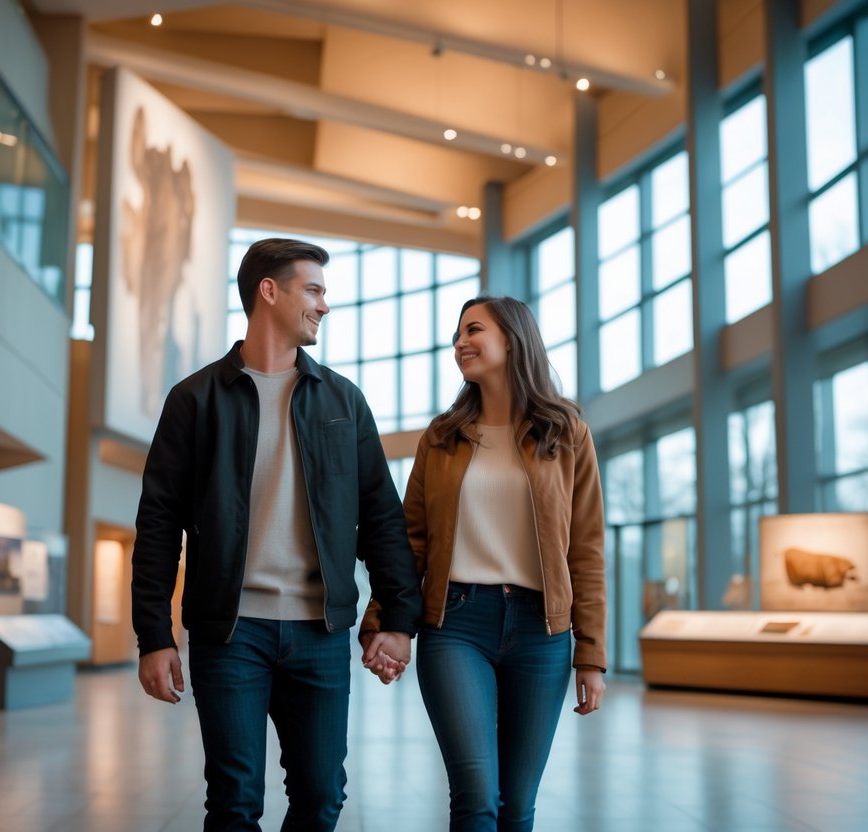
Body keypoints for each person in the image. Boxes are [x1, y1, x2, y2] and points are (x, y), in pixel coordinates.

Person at [132, 237, 422, 831]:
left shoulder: (343, 401)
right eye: (313, 289)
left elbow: (382, 517)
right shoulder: (194, 400)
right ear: (270, 291)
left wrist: (397, 617)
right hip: (229, 633)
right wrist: (153, 636)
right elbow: (158, 525)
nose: (324, 305)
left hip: (319, 634)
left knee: (321, 798)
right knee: (235, 802)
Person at [361, 295, 607, 831]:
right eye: (456, 336)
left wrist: (591, 653)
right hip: (456, 624)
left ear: (513, 341)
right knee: (476, 794)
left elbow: (585, 549)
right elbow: (409, 541)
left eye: (473, 331)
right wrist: (382, 619)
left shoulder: (567, 434)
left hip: (542, 631)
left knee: (517, 806)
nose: (459, 344)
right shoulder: (442, 437)